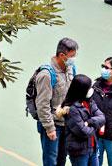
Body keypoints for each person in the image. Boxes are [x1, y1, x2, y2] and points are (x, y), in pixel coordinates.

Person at [27, 37, 78, 165]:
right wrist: (50, 128)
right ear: (62, 55)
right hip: (53, 125)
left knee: (62, 159)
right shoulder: (46, 75)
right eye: (72, 56)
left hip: (66, 124)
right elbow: (42, 105)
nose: (74, 59)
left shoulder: (70, 69)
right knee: (51, 161)